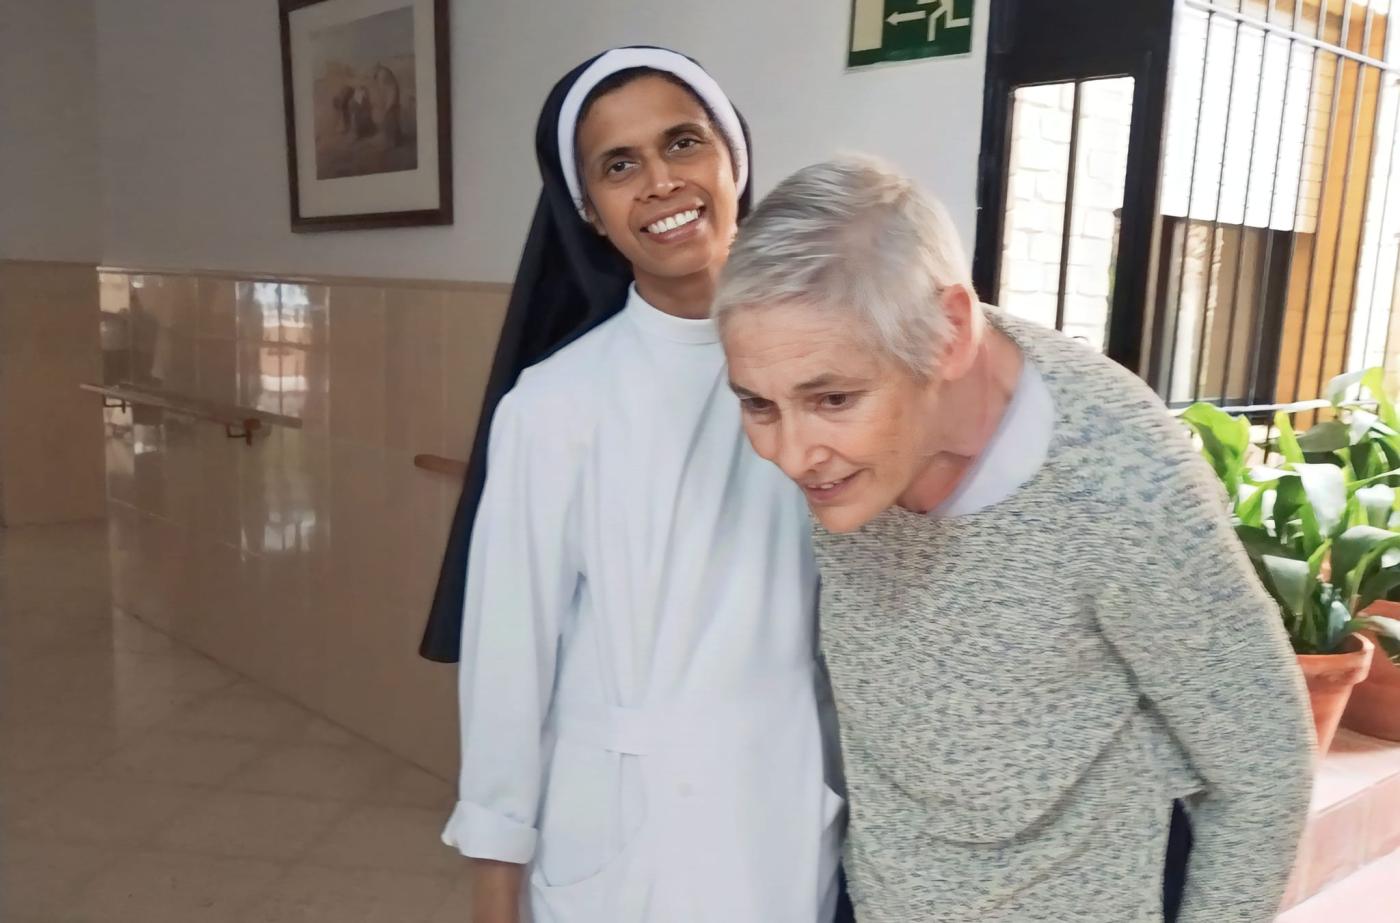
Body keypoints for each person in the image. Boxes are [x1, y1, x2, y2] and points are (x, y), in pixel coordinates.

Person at [713, 155, 1315, 923]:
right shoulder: (842, 411)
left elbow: (1265, 764)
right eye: (758, 406)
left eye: (832, 399)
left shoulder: (1120, 477)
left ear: (951, 334)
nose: (792, 455)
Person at [429, 48, 844, 923]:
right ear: (590, 212)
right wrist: (495, 876)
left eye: (683, 143)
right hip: (619, 823)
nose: (660, 181)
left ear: (734, 161)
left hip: (783, 801)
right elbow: (510, 653)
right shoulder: (554, 404)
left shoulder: (836, 369)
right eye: (619, 165)